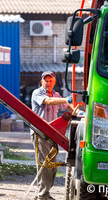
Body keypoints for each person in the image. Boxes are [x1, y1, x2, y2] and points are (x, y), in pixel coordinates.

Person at [31, 71, 83, 200]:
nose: (48, 83)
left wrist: (79, 112)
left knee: (51, 165)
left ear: (54, 82)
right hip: (40, 133)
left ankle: (44, 193)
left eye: (51, 81)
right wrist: (66, 99)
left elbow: (68, 106)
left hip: (52, 133)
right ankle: (42, 195)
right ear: (41, 81)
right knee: (44, 164)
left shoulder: (57, 94)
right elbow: (49, 101)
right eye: (46, 81)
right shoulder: (37, 93)